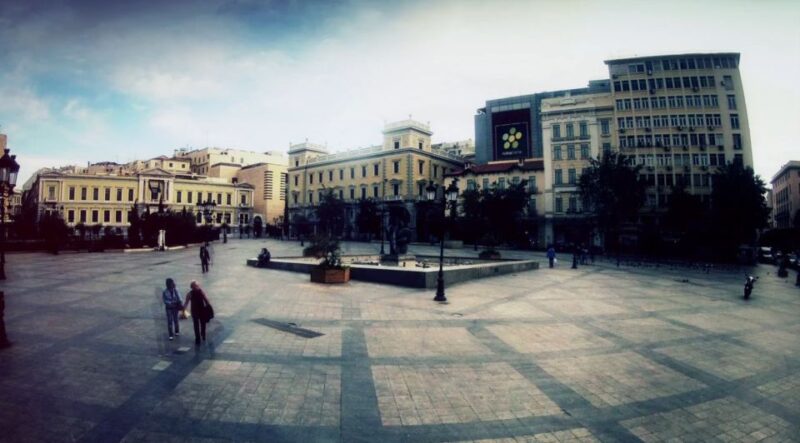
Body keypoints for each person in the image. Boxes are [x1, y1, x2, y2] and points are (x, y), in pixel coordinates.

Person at [183, 281, 211, 345]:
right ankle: (198, 337)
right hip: (195, 311)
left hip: (201, 310)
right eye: (196, 286)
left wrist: (208, 306)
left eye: (197, 285)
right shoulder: (190, 294)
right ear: (192, 287)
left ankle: (203, 334)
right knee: (196, 325)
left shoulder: (200, 291)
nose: (197, 287)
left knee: (202, 323)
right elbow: (186, 302)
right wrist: (183, 310)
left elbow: (206, 299)